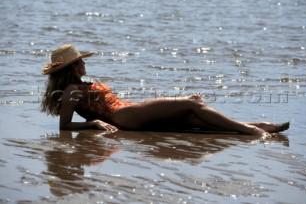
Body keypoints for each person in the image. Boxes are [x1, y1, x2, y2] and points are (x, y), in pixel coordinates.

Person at [41, 44, 290, 137]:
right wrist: (94, 123)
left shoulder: (78, 86)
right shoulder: (72, 90)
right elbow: (64, 127)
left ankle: (258, 125)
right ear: (72, 67)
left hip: (127, 112)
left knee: (194, 119)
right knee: (192, 104)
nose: (85, 63)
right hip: (124, 116)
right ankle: (250, 131)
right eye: (81, 61)